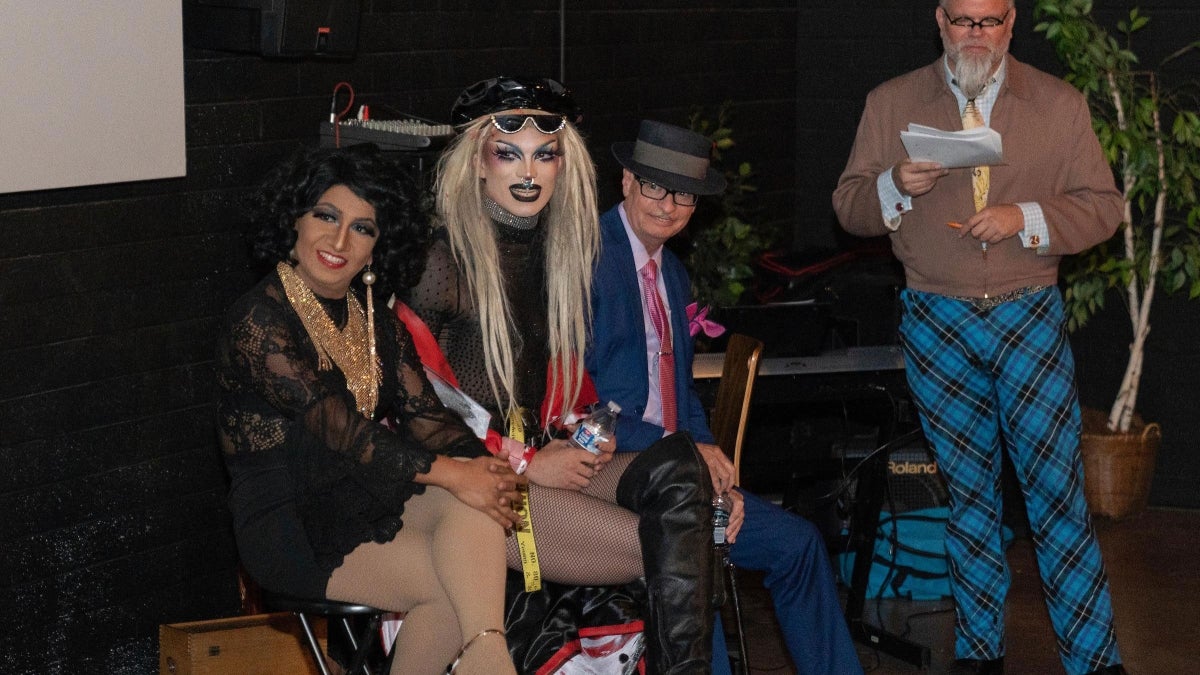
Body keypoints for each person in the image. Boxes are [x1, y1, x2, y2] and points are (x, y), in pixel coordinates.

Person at [832, 1, 1127, 674]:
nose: (977, 35)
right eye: (963, 21)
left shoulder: (1058, 103)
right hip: (937, 317)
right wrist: (893, 185)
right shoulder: (892, 102)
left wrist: (1025, 217)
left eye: (990, 21)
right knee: (968, 494)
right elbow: (847, 207)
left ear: (1012, 21)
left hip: (1029, 312)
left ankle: (1097, 661)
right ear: (939, 20)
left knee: (1057, 496)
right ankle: (978, 654)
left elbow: (1104, 206)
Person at [398, 76, 716, 674]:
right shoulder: (440, 259)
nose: (529, 171)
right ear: (477, 162)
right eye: (509, 153)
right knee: (662, 546)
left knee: (681, 469)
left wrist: (585, 425)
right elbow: (422, 405)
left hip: (540, 457)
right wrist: (525, 461)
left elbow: (566, 380)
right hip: (466, 478)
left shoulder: (560, 252)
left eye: (545, 155)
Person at [215, 144, 523, 675]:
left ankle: (489, 658)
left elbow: (428, 420)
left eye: (362, 228)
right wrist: (457, 474)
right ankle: (492, 662)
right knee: (457, 585)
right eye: (326, 216)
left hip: (361, 492)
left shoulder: (374, 323)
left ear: (378, 246)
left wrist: (486, 471)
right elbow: (341, 431)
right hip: (290, 521)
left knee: (470, 506)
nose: (339, 241)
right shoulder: (258, 321)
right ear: (294, 219)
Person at [587, 119, 865, 675]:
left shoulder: (673, 275)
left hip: (675, 467)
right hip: (607, 466)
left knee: (798, 544)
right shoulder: (590, 260)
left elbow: (682, 391)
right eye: (654, 187)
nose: (668, 206)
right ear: (626, 182)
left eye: (684, 193)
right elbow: (584, 405)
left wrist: (714, 467)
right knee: (695, 560)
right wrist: (686, 457)